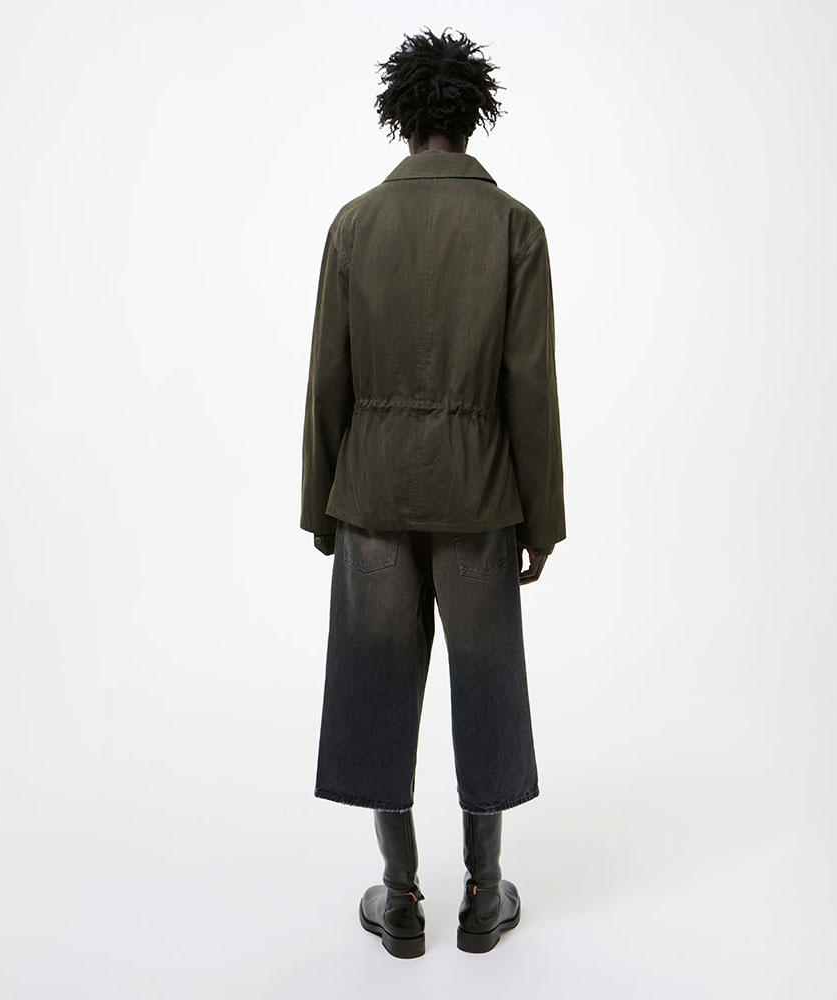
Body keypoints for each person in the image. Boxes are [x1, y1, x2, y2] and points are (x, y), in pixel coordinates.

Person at [300, 26, 566, 959]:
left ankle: (402, 896)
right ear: (472, 116)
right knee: (487, 684)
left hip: (371, 492)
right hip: (480, 495)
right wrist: (543, 520)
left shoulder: (354, 225)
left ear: (402, 118)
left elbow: (327, 377)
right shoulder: (515, 227)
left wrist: (320, 506)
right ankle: (485, 896)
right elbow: (529, 386)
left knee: (377, 684)